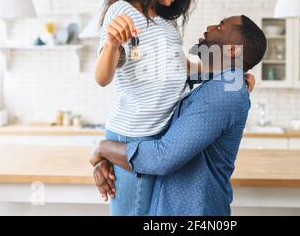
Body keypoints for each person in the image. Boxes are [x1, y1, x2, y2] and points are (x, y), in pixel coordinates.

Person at [94, 0, 255, 216]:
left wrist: (235, 72)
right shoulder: (122, 12)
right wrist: (111, 44)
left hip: (154, 139)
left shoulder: (166, 23)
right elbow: (102, 77)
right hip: (134, 135)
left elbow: (182, 68)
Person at [91, 15, 267, 215]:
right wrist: (108, 158)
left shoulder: (224, 92)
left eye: (220, 26)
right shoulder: (222, 83)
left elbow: (163, 157)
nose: (210, 25)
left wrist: (102, 148)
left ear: (233, 50)